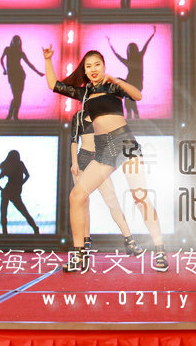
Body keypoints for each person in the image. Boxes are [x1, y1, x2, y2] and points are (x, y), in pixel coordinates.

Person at [43, 46, 168, 272]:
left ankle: (160, 249)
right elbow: (54, 85)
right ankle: (80, 255)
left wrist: (116, 80)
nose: (93, 69)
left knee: (140, 197)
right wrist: (48, 59)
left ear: (104, 66)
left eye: (97, 65)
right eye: (88, 66)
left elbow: (137, 95)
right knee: (77, 196)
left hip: (125, 143)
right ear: (85, 70)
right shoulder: (84, 93)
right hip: (103, 149)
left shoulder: (113, 85)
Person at [67, 109, 143, 255]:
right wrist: (74, 162)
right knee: (82, 204)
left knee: (112, 202)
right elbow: (74, 140)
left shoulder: (103, 113)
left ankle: (129, 241)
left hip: (99, 160)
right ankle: (85, 242)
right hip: (82, 160)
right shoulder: (79, 116)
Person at [107, 27, 156, 120]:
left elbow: (146, 45)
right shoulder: (132, 59)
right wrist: (110, 44)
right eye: (129, 49)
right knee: (128, 99)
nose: (130, 51)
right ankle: (133, 115)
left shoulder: (137, 57)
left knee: (129, 99)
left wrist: (152, 34)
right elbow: (117, 55)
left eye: (131, 49)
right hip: (131, 82)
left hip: (136, 83)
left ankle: (133, 115)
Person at [0, 150, 40, 235]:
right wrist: (20, 183)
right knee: (23, 212)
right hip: (13, 192)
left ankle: (5, 233)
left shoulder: (10, 166)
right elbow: (27, 175)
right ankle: (35, 229)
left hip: (8, 192)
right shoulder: (19, 164)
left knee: (5, 213)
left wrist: (2, 189)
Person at [1, 35, 44, 121]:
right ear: (12, 41)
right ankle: (11, 115)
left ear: (19, 42)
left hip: (20, 76)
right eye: (14, 41)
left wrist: (38, 72)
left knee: (18, 96)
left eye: (17, 41)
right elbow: (1, 59)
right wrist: (4, 69)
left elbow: (29, 64)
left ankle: (14, 115)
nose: (15, 42)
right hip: (12, 75)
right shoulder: (7, 49)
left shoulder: (20, 52)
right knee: (16, 96)